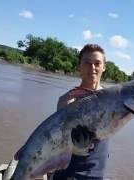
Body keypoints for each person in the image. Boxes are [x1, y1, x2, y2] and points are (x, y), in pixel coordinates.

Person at [51, 44, 108, 180]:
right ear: (79, 66)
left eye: (97, 63)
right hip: (68, 174)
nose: (92, 68)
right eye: (87, 63)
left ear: (104, 67)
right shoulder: (67, 100)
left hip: (97, 175)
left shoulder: (109, 99)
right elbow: (60, 142)